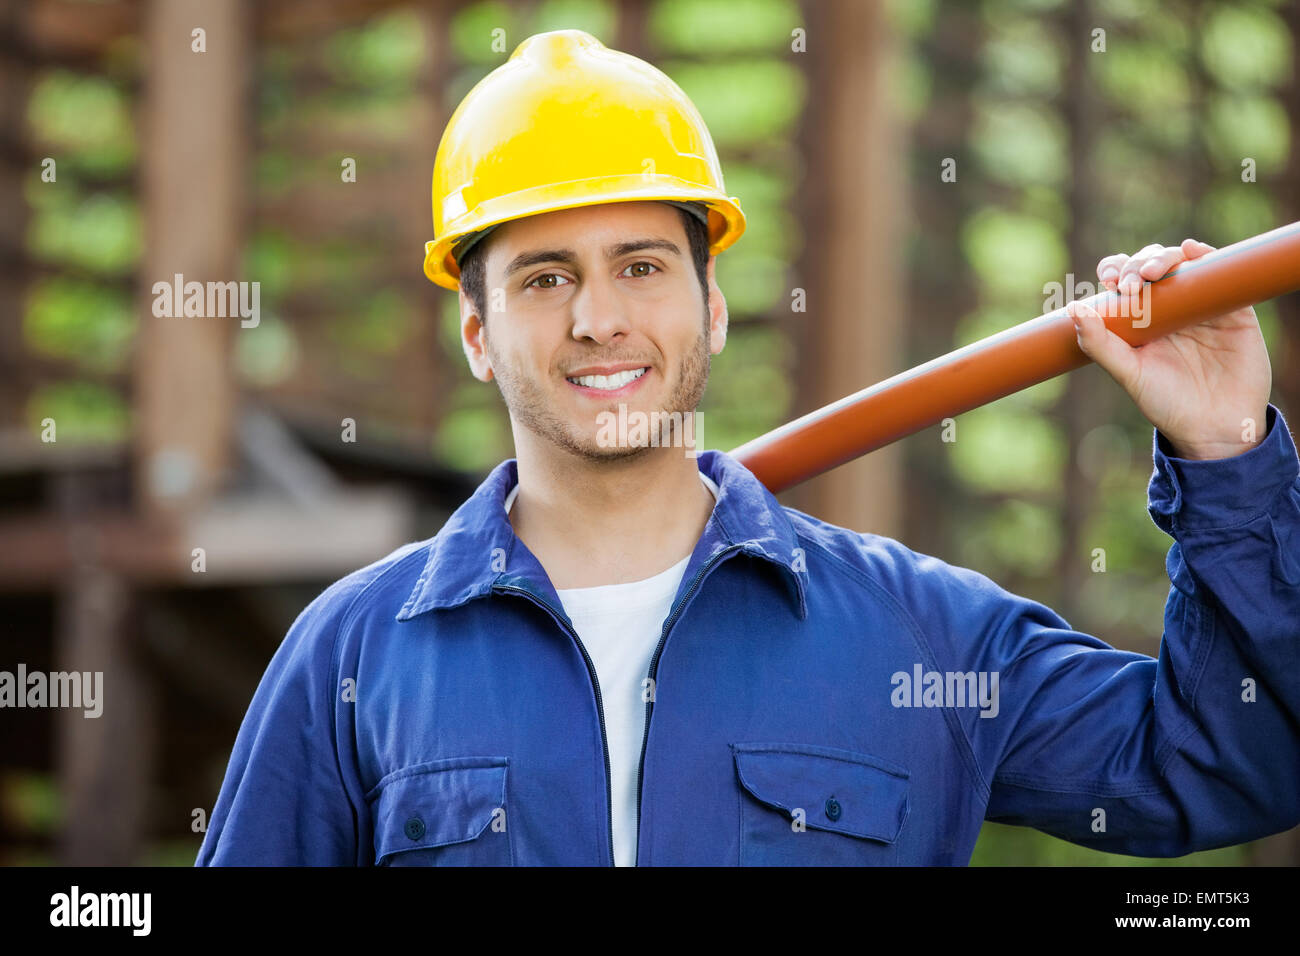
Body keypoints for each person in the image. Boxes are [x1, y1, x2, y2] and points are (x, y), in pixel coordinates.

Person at [197, 30, 1300, 866]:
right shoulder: (349, 660)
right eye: (544, 277)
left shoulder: (918, 638)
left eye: (640, 265)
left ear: (712, 306)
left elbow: (1228, 765)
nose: (597, 319)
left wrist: (1223, 454)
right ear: (477, 332)